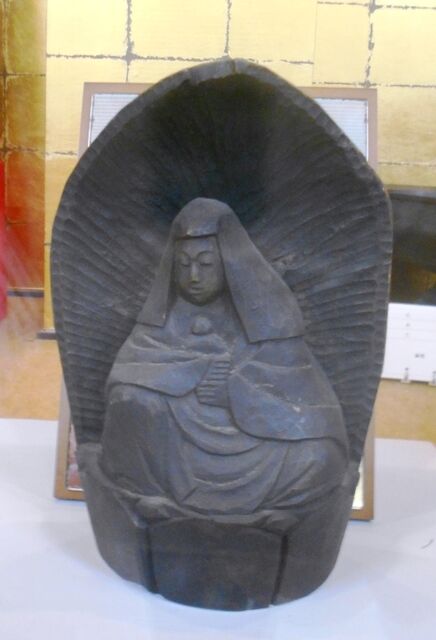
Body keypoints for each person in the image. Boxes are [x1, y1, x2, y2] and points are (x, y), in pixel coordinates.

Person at [100, 198, 349, 528]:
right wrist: (183, 379)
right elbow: (123, 379)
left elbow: (310, 406)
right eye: (184, 265)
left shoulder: (271, 318)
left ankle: (282, 510)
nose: (194, 276)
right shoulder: (159, 321)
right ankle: (148, 493)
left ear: (229, 264)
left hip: (256, 446)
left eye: (205, 264)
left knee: (320, 456)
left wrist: (233, 391)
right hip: (175, 447)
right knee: (128, 401)